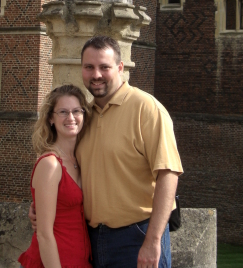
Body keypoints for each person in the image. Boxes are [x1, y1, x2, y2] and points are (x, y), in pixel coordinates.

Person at [30, 36, 183, 268]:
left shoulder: (146, 108)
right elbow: (71, 174)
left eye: (104, 67)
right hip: (92, 240)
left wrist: (152, 241)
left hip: (137, 236)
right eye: (89, 67)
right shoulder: (85, 117)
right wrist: (42, 208)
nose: (96, 75)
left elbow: (168, 174)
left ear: (120, 67)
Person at [19, 84, 92, 268]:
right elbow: (44, 234)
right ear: (51, 118)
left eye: (77, 111)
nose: (71, 118)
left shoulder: (81, 160)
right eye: (63, 112)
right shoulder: (50, 164)